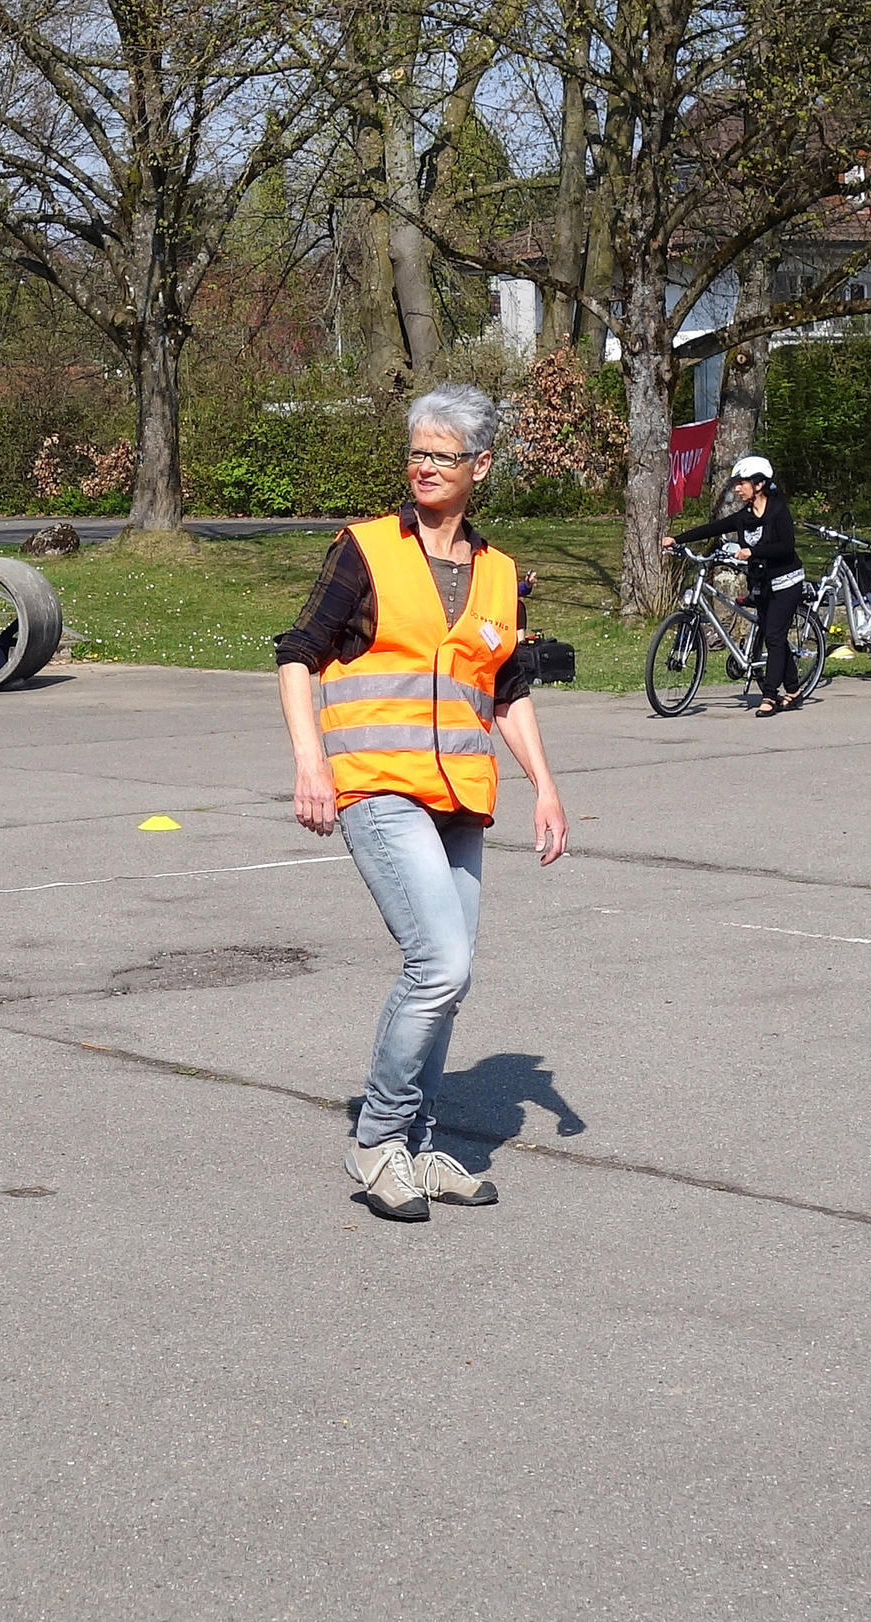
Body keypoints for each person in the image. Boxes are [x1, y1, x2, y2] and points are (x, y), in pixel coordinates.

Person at [273, 383, 571, 1223]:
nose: (426, 468)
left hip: (461, 800)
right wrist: (312, 765)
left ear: (481, 466)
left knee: (451, 978)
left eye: (444, 455)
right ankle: (377, 1141)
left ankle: (420, 1141)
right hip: (377, 784)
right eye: (417, 452)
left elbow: (507, 691)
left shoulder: (501, 574)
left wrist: (546, 787)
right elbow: (298, 654)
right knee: (438, 963)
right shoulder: (364, 550)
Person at [664, 455, 806, 715]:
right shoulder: (744, 517)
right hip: (762, 581)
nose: (738, 488)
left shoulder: (778, 511)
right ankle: (794, 690)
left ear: (759, 484)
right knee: (774, 635)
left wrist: (753, 552)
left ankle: (770, 697)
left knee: (773, 635)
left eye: (742, 483)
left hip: (786, 581)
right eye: (737, 484)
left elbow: (786, 547)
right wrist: (678, 539)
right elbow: (713, 528)